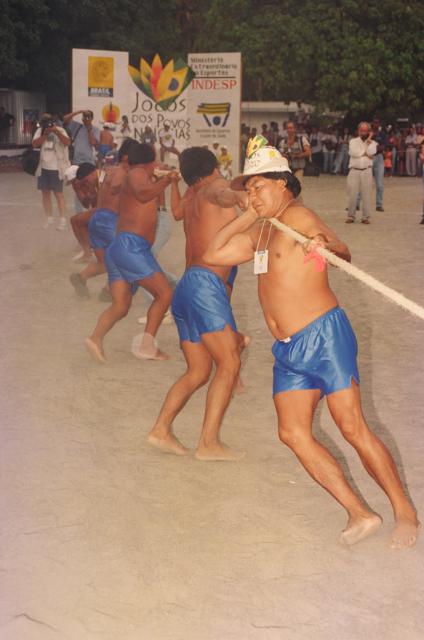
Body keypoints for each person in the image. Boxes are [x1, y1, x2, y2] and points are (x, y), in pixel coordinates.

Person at [203, 140, 420, 548]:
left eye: (259, 187)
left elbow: (343, 251)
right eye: (248, 188)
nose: (252, 194)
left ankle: (405, 512)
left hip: (324, 337)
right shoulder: (262, 230)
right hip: (288, 350)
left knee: (353, 427)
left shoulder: (299, 216)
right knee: (292, 432)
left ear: (284, 184)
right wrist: (248, 213)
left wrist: (324, 246)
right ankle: (359, 512)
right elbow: (214, 251)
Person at [147, 147, 248, 460]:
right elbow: (226, 194)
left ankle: (160, 429)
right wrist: (248, 197)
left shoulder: (192, 196)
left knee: (199, 370)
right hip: (206, 287)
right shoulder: (215, 189)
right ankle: (208, 443)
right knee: (229, 363)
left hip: (188, 288)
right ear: (214, 167)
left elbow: (179, 213)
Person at [85, 143, 175, 363]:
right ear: (148, 162)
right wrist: (167, 179)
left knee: (121, 305)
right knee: (164, 294)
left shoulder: (136, 174)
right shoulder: (136, 173)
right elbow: (144, 195)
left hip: (122, 247)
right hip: (130, 246)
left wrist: (160, 176)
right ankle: (147, 346)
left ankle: (95, 338)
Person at [69, 139, 138, 299]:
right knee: (124, 258)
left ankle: (81, 278)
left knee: (104, 263)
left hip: (96, 220)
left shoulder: (108, 169)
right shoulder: (126, 171)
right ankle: (108, 290)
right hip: (110, 221)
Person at [32, 113, 71, 230]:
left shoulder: (60, 130)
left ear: (53, 122)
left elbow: (67, 143)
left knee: (58, 194)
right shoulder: (40, 130)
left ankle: (63, 220)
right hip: (43, 167)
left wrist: (56, 132)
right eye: (45, 123)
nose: (48, 125)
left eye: (49, 122)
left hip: (56, 168)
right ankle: (49, 218)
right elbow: (34, 144)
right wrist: (45, 134)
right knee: (45, 194)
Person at [67, 163, 99, 261]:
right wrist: (87, 195)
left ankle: (89, 251)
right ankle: (87, 251)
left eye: (73, 181)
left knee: (79, 220)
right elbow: (86, 204)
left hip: (107, 209)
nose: (73, 184)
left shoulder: (95, 180)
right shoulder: (80, 186)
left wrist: (92, 194)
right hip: (100, 209)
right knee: (76, 220)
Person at [346, 122, 377, 224]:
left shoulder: (373, 143)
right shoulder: (353, 141)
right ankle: (351, 216)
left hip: (367, 170)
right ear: (358, 131)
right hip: (354, 170)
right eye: (361, 130)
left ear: (369, 132)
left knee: (366, 194)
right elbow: (354, 153)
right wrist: (365, 153)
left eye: (365, 131)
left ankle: (366, 217)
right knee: (352, 194)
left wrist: (369, 141)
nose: (363, 132)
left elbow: (372, 153)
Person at [371, 117, 387, 210]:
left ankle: (379, 205)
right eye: (374, 122)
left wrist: (374, 147)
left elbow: (383, 148)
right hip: (369, 157)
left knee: (379, 183)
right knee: (364, 182)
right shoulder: (369, 134)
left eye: (377, 123)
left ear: (379, 124)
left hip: (379, 158)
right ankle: (356, 204)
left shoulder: (382, 134)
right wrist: (376, 146)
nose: (376, 124)